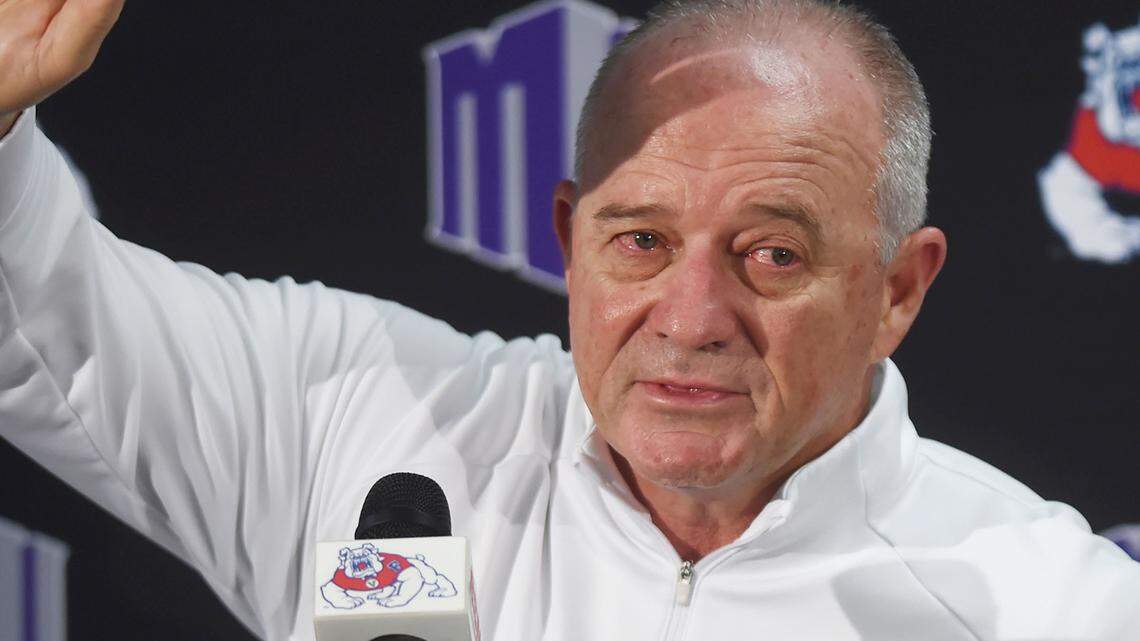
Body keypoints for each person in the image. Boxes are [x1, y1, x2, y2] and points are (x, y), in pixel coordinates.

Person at [0, 0, 1137, 639]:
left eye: (771, 254)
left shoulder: (1051, 608)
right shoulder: (364, 411)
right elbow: (42, 326)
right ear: (568, 232)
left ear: (898, 287)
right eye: (640, 240)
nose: (691, 319)